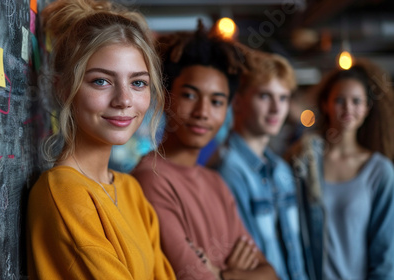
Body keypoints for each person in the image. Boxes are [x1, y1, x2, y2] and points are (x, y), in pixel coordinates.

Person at [26, 0, 175, 279]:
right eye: (101, 81)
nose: (124, 100)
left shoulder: (131, 190)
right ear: (63, 87)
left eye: (138, 83)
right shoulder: (63, 192)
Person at [132, 26, 278, 280]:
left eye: (217, 101)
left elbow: (270, 274)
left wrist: (223, 275)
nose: (203, 111)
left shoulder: (216, 182)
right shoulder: (150, 179)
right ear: (166, 98)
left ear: (227, 110)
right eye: (189, 95)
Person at [287, 61, 394, 280]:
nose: (348, 108)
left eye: (356, 101)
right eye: (339, 100)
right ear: (325, 104)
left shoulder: (379, 171)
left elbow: (385, 252)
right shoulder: (305, 162)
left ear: (366, 109)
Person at [210, 51, 308, 280]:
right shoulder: (227, 170)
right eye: (265, 96)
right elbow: (242, 261)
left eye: (283, 98)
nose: (276, 108)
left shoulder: (281, 169)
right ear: (238, 101)